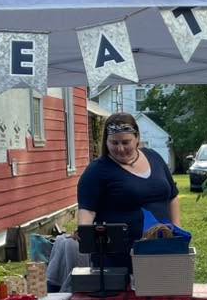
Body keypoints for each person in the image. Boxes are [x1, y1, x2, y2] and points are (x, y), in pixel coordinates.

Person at [77, 113, 181, 267]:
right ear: (106, 142)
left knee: (164, 288)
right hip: (118, 259)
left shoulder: (154, 157)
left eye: (126, 142)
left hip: (162, 249)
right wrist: (86, 236)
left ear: (137, 138)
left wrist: (177, 233)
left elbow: (172, 197)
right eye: (114, 142)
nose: (120, 148)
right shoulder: (97, 171)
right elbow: (87, 211)